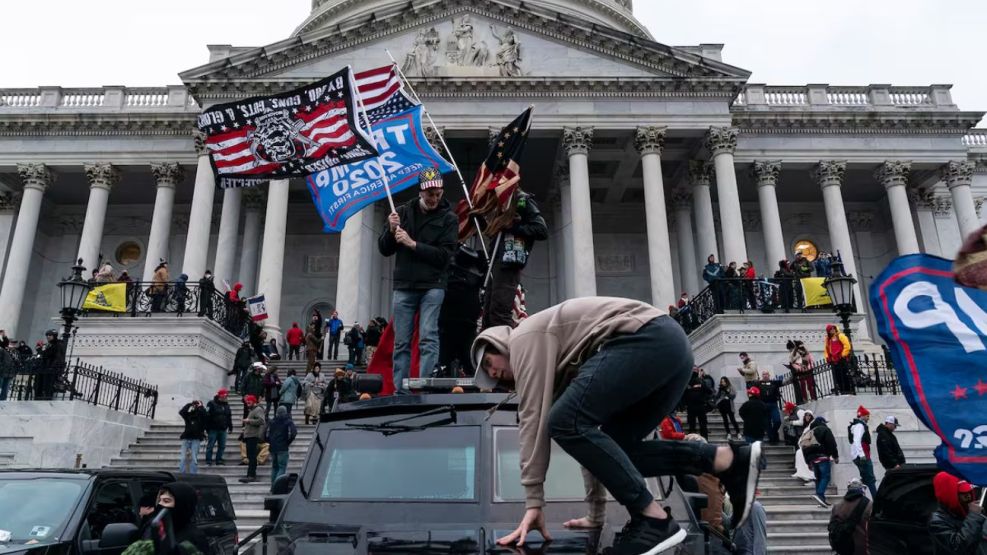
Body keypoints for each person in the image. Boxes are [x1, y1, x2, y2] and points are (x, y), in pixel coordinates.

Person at [470, 297, 764, 554]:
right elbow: (593, 446)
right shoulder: (559, 363)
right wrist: (596, 513)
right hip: (670, 350)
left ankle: (652, 519)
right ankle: (726, 459)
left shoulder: (523, 338)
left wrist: (533, 503)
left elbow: (533, 422)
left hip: (648, 339)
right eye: (489, 376)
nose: (493, 373)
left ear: (496, 343)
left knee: (561, 421)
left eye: (488, 363)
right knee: (617, 448)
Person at [379, 167, 458, 394]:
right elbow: (384, 249)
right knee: (401, 342)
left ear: (442, 191)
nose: (433, 198)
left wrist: (413, 244)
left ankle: (425, 388)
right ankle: (400, 391)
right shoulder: (402, 213)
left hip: (433, 285)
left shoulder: (449, 218)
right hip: (404, 285)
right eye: (429, 193)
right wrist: (391, 230)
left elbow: (445, 256)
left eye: (437, 193)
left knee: (428, 336)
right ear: (420, 191)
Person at [481, 189, 549, 329]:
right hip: (495, 262)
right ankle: (490, 346)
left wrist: (514, 227)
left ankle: (504, 348)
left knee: (499, 313)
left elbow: (541, 230)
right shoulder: (499, 202)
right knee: (488, 313)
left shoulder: (522, 200)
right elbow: (494, 232)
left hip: (509, 262)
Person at [929, 471, 987, 554]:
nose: (969, 498)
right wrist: (973, 516)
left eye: (969, 493)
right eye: (963, 495)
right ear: (950, 496)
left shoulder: (974, 516)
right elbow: (959, 547)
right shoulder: (937, 521)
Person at [142, 482, 209, 554]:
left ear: (181, 505)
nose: (160, 504)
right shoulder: (153, 528)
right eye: (159, 500)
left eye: (166, 501)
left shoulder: (194, 538)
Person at [803, 415, 839, 507]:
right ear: (822, 422)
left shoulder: (810, 432)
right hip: (822, 457)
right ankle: (819, 494)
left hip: (813, 459)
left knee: (818, 478)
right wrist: (835, 456)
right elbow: (832, 443)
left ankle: (821, 499)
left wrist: (808, 461)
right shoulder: (825, 430)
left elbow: (804, 447)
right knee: (826, 477)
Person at [828, 478, 871, 555]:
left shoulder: (837, 506)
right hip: (862, 548)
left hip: (842, 547)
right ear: (862, 489)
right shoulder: (869, 505)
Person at [265, 405, 297, 491]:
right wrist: (288, 442)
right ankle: (277, 487)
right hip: (282, 448)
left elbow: (264, 432)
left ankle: (272, 487)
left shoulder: (272, 421)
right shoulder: (288, 421)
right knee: (282, 467)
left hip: (273, 448)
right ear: (285, 412)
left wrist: (268, 441)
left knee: (274, 467)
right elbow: (293, 433)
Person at [849, 405, 878, 498]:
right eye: (867, 416)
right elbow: (857, 441)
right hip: (863, 456)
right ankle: (877, 500)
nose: (868, 418)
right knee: (870, 479)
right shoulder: (860, 426)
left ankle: (857, 496)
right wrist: (862, 454)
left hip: (859, 456)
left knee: (866, 480)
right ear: (862, 416)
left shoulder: (857, 426)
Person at [239, 394, 265, 483]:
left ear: (254, 401)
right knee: (250, 456)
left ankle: (251, 475)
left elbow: (261, 421)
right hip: (249, 435)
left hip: (253, 436)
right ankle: (250, 474)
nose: (247, 403)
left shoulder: (258, 409)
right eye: (247, 402)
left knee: (252, 456)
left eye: (249, 402)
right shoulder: (252, 410)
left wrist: (248, 421)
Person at [204, 388, 233, 467]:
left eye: (226, 396)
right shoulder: (211, 403)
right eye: (225, 395)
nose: (226, 397)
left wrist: (230, 427)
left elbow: (229, 416)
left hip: (223, 429)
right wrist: (206, 428)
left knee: (222, 446)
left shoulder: (226, 405)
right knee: (210, 445)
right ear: (220, 396)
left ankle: (219, 460)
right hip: (213, 429)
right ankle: (208, 461)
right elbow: (206, 416)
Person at [177, 400, 206, 474]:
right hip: (186, 437)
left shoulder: (201, 416)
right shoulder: (189, 416)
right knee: (183, 458)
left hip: (196, 439)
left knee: (194, 458)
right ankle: (182, 473)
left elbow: (205, 415)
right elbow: (182, 412)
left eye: (197, 404)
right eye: (195, 404)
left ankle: (193, 474)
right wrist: (190, 404)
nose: (195, 406)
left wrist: (201, 406)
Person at [825, 324, 855, 395]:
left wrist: (843, 355)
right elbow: (826, 349)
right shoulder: (828, 339)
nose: (832, 330)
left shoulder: (840, 336)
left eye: (833, 329)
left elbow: (847, 346)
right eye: (830, 330)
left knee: (845, 375)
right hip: (834, 360)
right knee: (838, 377)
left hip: (841, 359)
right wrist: (828, 358)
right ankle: (842, 390)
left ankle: (848, 390)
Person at [683, 366, 712, 439]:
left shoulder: (701, 381)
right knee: (692, 426)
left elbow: (709, 391)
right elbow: (683, 393)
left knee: (702, 425)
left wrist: (701, 385)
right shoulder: (687, 381)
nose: (695, 371)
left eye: (696, 369)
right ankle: (693, 441)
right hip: (691, 406)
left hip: (700, 406)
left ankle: (704, 440)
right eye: (693, 369)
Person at [755, 370, 783, 444]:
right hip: (763, 405)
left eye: (766, 374)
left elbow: (784, 382)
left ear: (769, 375)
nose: (765, 375)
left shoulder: (774, 382)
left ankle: (774, 433)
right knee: (767, 424)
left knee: (777, 421)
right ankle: (772, 439)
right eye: (763, 374)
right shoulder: (758, 383)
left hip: (773, 404)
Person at [792, 409, 816, 483]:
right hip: (805, 447)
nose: (807, 417)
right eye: (806, 415)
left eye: (809, 415)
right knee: (799, 454)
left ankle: (811, 477)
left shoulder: (812, 425)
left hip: (811, 447)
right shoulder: (806, 425)